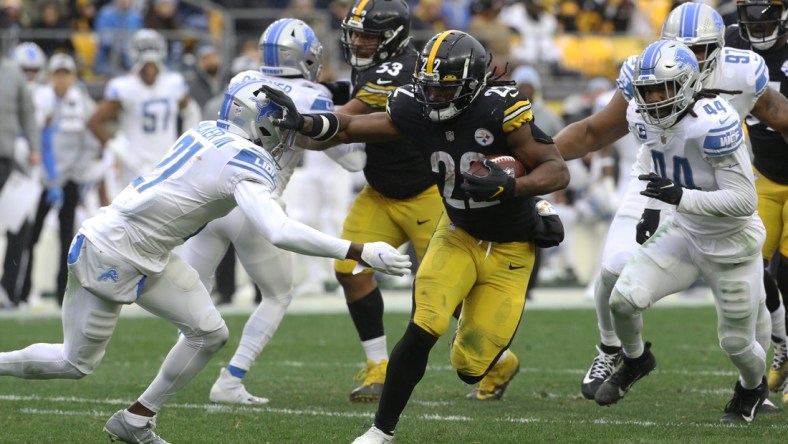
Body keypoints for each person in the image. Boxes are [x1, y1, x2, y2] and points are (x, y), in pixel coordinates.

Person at [0, 81, 412, 444]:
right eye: (279, 126)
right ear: (259, 122)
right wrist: (358, 250)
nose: (285, 137)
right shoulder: (246, 162)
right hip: (112, 250)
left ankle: (137, 419)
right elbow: (279, 231)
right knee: (75, 363)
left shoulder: (206, 130)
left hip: (148, 253)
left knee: (209, 332)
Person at [261, 30, 569, 443]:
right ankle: (380, 432)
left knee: (469, 366)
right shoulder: (414, 106)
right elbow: (352, 127)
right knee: (424, 324)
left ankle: (485, 350)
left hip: (511, 248)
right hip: (458, 231)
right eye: (429, 88)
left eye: (446, 91)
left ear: (473, 84)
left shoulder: (501, 110)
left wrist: (516, 189)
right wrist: (304, 122)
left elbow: (556, 168)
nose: (434, 99)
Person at [553, 2, 788, 408]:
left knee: (753, 286)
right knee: (612, 270)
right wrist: (531, 157)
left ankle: (759, 373)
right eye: (678, 47)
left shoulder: (741, 72)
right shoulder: (646, 72)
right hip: (658, 179)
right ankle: (615, 350)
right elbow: (593, 131)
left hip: (722, 187)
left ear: (717, 48)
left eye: (698, 50)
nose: (687, 59)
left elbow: (781, 117)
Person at [178, 18, 366, 405]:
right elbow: (351, 160)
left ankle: (170, 379)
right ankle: (230, 379)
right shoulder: (314, 95)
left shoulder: (241, 78)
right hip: (255, 203)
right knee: (278, 295)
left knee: (190, 292)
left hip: (213, 197)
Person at [593, 39, 770, 424]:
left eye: (664, 88)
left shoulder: (715, 123)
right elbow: (648, 158)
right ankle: (637, 360)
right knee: (622, 299)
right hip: (686, 232)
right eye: (647, 89)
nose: (654, 98)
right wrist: (651, 207)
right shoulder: (641, 117)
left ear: (688, 84)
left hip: (731, 242)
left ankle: (752, 388)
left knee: (738, 344)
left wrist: (680, 196)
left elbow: (744, 202)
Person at [334, 0, 448, 403]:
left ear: (394, 37)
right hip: (380, 191)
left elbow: (343, 121)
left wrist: (301, 120)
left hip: (425, 192)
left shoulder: (397, 66)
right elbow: (355, 97)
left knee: (450, 291)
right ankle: (378, 366)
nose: (358, 42)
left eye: (368, 35)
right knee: (350, 270)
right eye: (356, 33)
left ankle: (496, 360)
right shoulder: (374, 63)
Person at [726, 0, 788, 402]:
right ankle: (774, 356)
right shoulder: (729, 43)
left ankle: (783, 361)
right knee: (752, 273)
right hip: (763, 175)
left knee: (786, 277)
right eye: (752, 14)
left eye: (769, 14)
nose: (759, 23)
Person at [19, 54, 99, 307]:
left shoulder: (84, 104)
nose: (62, 79)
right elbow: (31, 137)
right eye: (58, 74)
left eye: (66, 74)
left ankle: (61, 293)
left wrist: (72, 175)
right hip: (40, 178)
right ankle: (23, 292)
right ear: (50, 75)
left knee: (68, 239)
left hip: (69, 180)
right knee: (30, 235)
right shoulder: (39, 100)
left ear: (73, 76)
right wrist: (44, 176)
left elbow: (91, 143)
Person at [87, 28, 199, 202]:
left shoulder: (173, 83)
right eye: (145, 65)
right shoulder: (124, 87)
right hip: (135, 163)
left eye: (153, 65)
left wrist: (187, 145)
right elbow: (94, 122)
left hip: (167, 160)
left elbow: (191, 112)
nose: (149, 71)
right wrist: (116, 146)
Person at [0, 45, 41, 308]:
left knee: (19, 225)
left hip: (4, 161)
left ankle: (7, 289)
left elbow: (27, 112)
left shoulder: (12, 72)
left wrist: (34, 147)